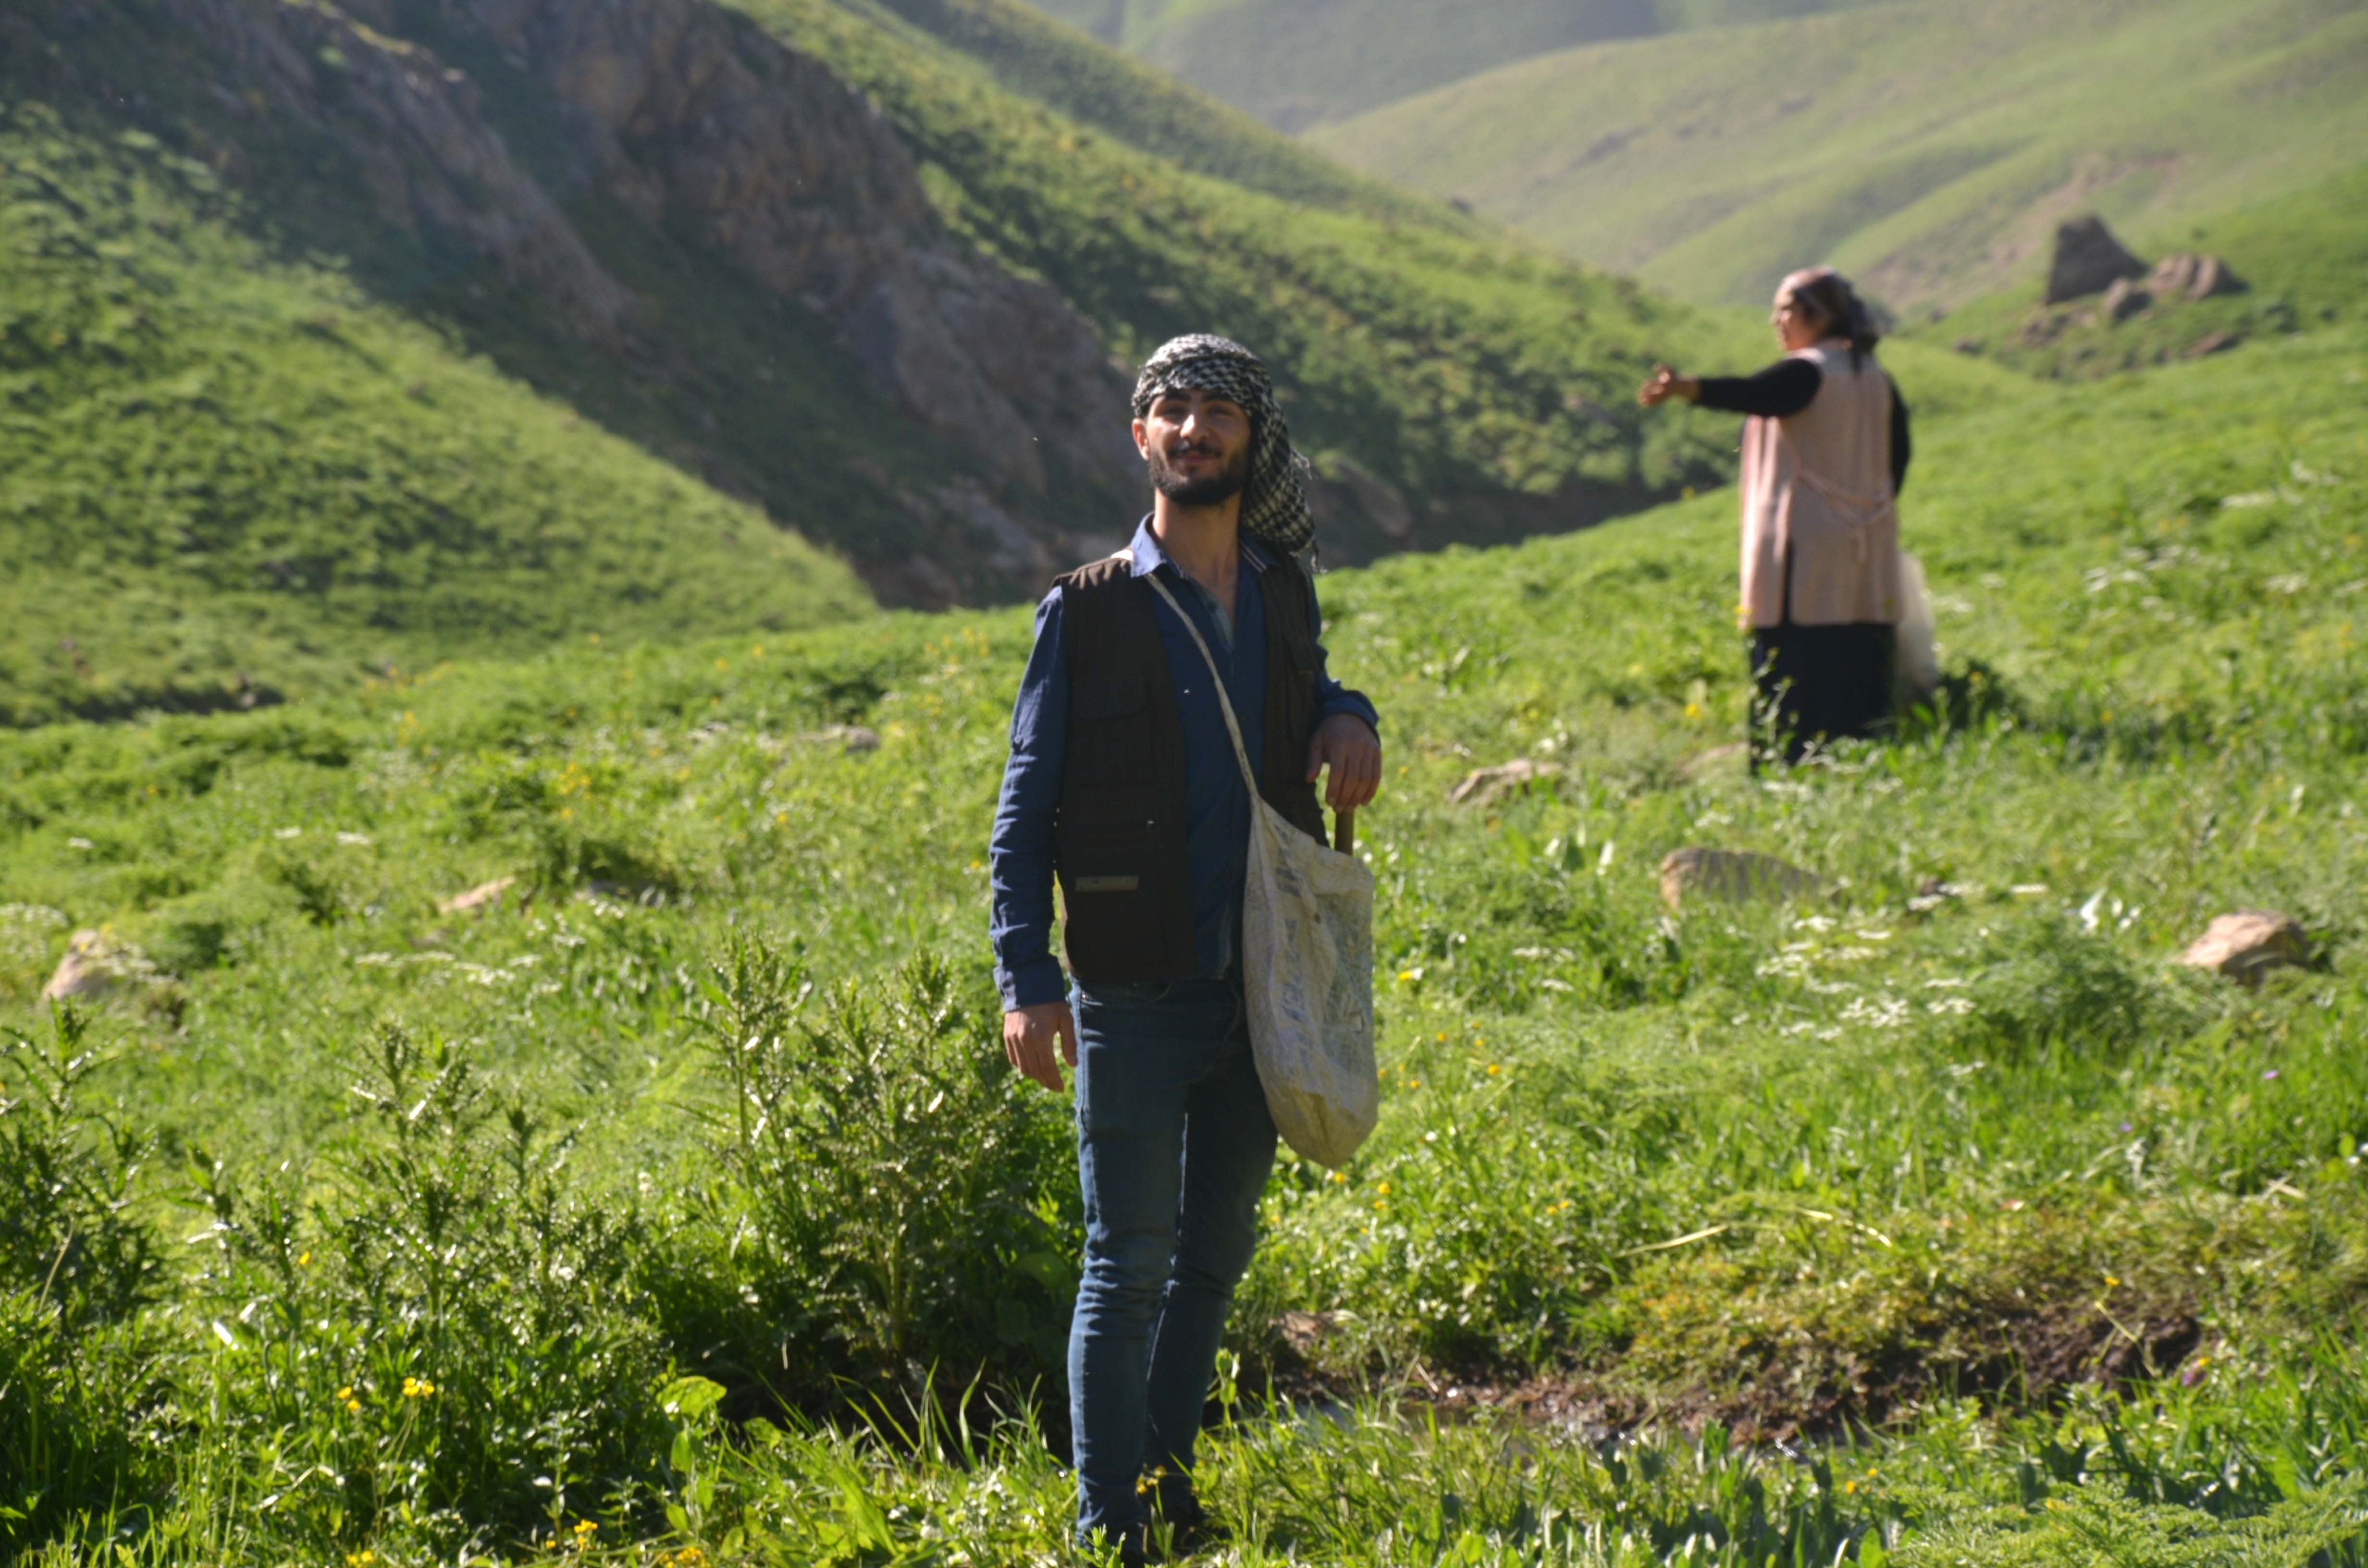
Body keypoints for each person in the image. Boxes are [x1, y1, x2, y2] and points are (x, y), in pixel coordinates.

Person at [988, 335, 1382, 1564]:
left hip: (1260, 987)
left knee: (1212, 1260)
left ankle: (1167, 1485)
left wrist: (1349, 714)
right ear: (1139, 438)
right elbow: (1024, 806)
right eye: (1173, 409)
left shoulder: (1280, 588)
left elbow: (1311, 687)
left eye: (1218, 410)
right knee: (1128, 1264)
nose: (1196, 428)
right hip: (1132, 986)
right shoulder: (1088, 609)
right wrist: (1027, 976)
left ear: (1249, 441)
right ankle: (1113, 1525)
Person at [1638, 267, 1914, 765]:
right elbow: (1898, 455)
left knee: (1795, 654)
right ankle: (1861, 751)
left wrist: (1686, 389)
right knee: (1857, 647)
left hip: (1801, 541)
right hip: (1864, 538)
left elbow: (1754, 393)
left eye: (1785, 309)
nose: (1776, 321)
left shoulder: (1809, 371)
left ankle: (1791, 758)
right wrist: (1866, 508)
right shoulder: (1874, 376)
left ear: (1819, 315)